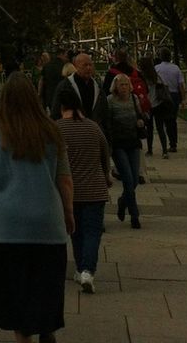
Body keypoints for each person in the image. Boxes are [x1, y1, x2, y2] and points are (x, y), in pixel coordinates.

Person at [0, 71, 73, 343]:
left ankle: (25, 337)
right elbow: (64, 179)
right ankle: (45, 326)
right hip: (46, 224)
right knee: (44, 288)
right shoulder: (51, 129)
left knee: (16, 297)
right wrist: (68, 212)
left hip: (6, 226)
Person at [57, 82, 111, 293]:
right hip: (95, 188)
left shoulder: (57, 128)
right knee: (92, 232)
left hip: (70, 191)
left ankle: (81, 268)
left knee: (75, 232)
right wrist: (106, 175)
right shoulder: (92, 127)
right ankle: (87, 269)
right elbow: (105, 153)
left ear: (62, 108)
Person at [105, 72, 146, 228]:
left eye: (126, 84)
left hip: (133, 142)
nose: (124, 87)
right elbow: (107, 123)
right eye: (121, 84)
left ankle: (123, 201)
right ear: (116, 86)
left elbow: (140, 115)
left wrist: (140, 121)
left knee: (134, 179)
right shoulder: (110, 101)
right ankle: (134, 215)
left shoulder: (134, 99)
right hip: (118, 144)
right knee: (128, 178)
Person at [50, 51, 108, 132]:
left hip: (94, 131)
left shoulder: (97, 87)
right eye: (85, 65)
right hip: (73, 131)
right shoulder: (65, 86)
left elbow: (104, 114)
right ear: (76, 67)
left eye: (90, 65)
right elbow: (56, 111)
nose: (88, 68)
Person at [138, 54, 173, 158]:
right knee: (160, 128)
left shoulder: (142, 76)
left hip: (147, 104)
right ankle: (164, 151)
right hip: (158, 103)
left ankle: (149, 150)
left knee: (149, 128)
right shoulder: (155, 75)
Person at [155, 48, 184, 152]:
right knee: (172, 120)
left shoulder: (157, 68)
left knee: (162, 120)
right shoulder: (176, 68)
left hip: (162, 95)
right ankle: (173, 142)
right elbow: (180, 85)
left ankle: (165, 142)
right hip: (174, 95)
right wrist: (183, 99)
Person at [39, 46, 68, 112]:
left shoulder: (47, 66)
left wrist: (40, 94)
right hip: (62, 97)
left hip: (49, 96)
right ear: (61, 54)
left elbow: (41, 81)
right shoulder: (65, 66)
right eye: (65, 55)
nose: (67, 57)